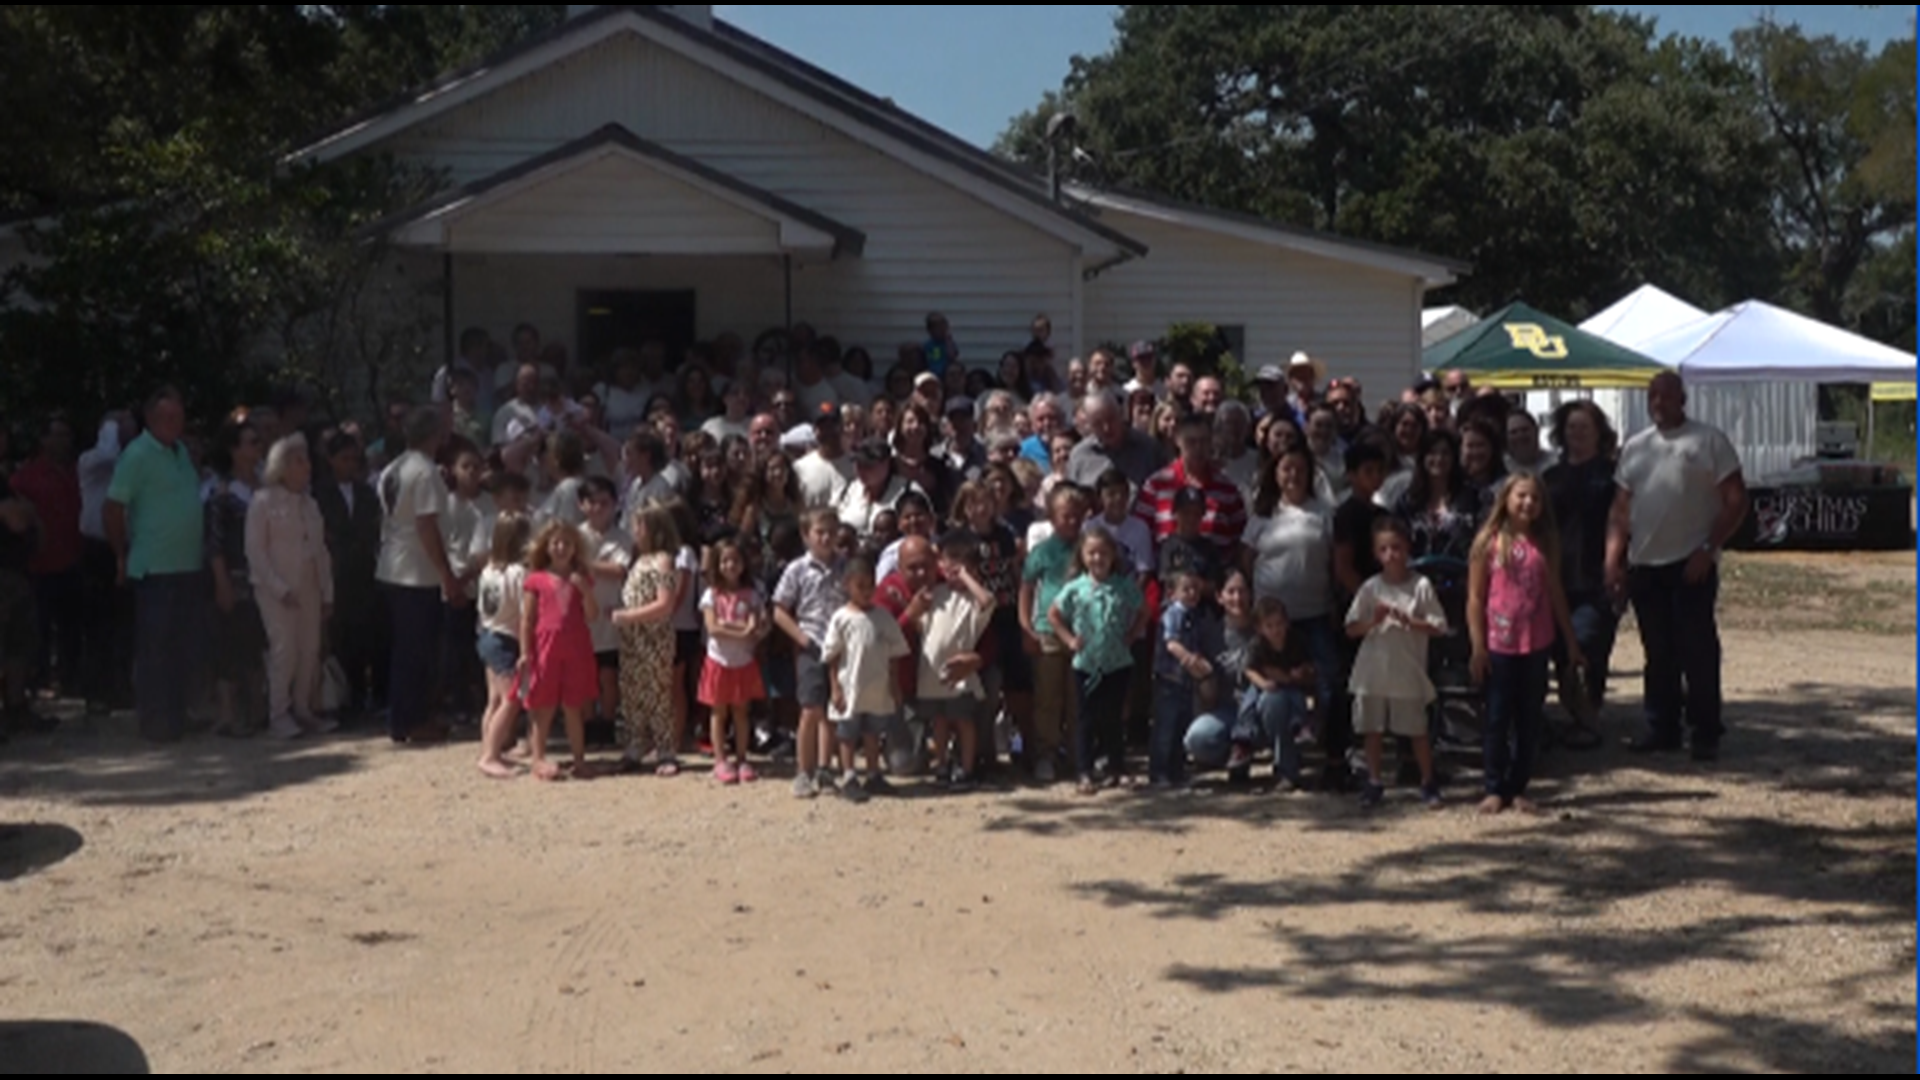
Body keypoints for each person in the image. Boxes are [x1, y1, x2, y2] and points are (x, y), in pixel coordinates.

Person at [1606, 373, 1748, 763]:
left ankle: (1705, 730)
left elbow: (1735, 500)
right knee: (1658, 652)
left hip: (1691, 564)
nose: (1659, 403)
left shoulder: (1708, 441)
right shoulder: (1636, 447)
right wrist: (1613, 560)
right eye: (1653, 396)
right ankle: (1662, 726)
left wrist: (1709, 547)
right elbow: (1620, 511)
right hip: (1645, 565)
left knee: (1697, 651)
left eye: (1666, 397)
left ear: (1682, 399)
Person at [1468, 473, 1585, 816]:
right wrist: (1477, 645)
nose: (1528, 503)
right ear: (1506, 498)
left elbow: (1556, 593)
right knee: (1497, 717)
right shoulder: (1488, 542)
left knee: (1529, 718)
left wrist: (1571, 641)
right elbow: (1475, 598)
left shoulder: (1545, 542)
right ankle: (1494, 786)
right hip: (1499, 643)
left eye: (1535, 498)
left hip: (1536, 642)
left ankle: (1518, 786)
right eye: (1521, 496)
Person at [105, 389, 208, 743]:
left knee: (184, 647)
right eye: (166, 418)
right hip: (154, 569)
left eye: (178, 418)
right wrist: (120, 554)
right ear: (149, 419)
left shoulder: (181, 454)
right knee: (155, 649)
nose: (174, 424)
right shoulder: (136, 455)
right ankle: (154, 721)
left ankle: (177, 715)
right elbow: (114, 507)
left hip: (187, 566)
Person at [375, 406, 463, 747]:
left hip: (391, 563)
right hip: (415, 570)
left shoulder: (392, 468)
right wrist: (446, 574)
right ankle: (410, 719)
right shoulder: (425, 472)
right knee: (417, 650)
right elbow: (426, 525)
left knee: (405, 648)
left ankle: (405, 715)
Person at [1244, 443, 1341, 748]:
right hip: (1271, 620)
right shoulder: (1262, 515)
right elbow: (1244, 562)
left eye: (1300, 468)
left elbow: (1334, 563)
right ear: (1275, 473)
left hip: (1314, 612)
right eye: (1286, 468)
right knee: (1269, 682)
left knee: (1326, 679)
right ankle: (1259, 743)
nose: (1293, 475)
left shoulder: (1324, 513)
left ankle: (1325, 742)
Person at [1347, 519, 1448, 810]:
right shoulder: (1371, 587)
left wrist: (1411, 621)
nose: (1391, 554)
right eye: (1384, 549)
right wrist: (1373, 622)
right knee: (1372, 728)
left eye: (1397, 548)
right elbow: (1351, 628)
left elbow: (1439, 625)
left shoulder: (1420, 586)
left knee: (1417, 730)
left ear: (1408, 549)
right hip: (1372, 671)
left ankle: (1428, 781)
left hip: (1407, 669)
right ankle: (1375, 780)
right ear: (1376, 553)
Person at [247, 435, 336, 741]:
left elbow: (320, 550)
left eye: (307, 460)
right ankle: (278, 714)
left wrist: (327, 591)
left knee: (309, 650)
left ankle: (303, 709)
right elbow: (256, 553)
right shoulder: (262, 502)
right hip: (277, 591)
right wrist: (278, 588)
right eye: (299, 461)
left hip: (309, 588)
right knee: (284, 650)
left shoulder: (309, 504)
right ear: (282, 467)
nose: (307, 467)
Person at [1049, 529, 1148, 797]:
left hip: (1117, 662)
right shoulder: (1076, 588)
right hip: (1086, 664)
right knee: (1085, 719)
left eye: (1103, 552)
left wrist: (1133, 634)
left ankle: (1116, 767)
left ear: (1113, 555)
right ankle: (1084, 770)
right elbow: (1054, 614)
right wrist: (1069, 639)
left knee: (1114, 717)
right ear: (1082, 555)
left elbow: (1143, 610)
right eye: (1091, 552)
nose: (1097, 558)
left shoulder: (1123, 585)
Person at [1545, 401, 1621, 718]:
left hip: (1597, 572)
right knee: (1561, 646)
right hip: (1557, 574)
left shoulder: (1612, 475)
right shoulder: (1550, 477)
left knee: (1589, 641)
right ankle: (1573, 708)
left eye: (1584, 427)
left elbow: (1621, 522)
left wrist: (1616, 566)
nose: (1577, 433)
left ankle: (1589, 709)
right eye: (1571, 427)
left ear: (1598, 433)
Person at [904, 531, 995, 791]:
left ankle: (966, 769)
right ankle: (942, 765)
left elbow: (988, 602)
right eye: (949, 562)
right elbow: (917, 621)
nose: (954, 569)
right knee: (940, 722)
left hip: (961, 675)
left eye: (962, 564)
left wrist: (966, 577)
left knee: (964, 722)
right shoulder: (935, 593)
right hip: (932, 673)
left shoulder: (973, 599)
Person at [774, 510, 851, 799]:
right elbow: (779, 610)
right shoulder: (797, 569)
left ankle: (824, 768)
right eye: (820, 532)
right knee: (810, 708)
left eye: (831, 532)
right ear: (807, 536)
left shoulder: (845, 567)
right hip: (811, 643)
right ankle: (802, 772)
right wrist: (801, 638)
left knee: (833, 710)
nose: (826, 538)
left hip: (839, 645)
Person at [822, 558, 911, 804]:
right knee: (848, 734)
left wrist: (894, 684)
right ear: (847, 585)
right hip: (850, 687)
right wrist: (835, 687)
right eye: (860, 585)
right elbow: (832, 655)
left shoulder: (883, 617)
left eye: (870, 585)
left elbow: (895, 652)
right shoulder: (841, 618)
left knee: (873, 733)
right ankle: (849, 776)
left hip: (877, 687)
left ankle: (873, 773)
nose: (865, 591)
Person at [516, 522, 600, 781]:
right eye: (556, 543)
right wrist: (524, 652)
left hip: (575, 646)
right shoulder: (537, 579)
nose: (561, 548)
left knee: (574, 705)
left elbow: (593, 615)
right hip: (545, 647)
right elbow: (527, 619)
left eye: (567, 543)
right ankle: (538, 759)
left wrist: (584, 589)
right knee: (544, 705)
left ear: (576, 548)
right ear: (547, 547)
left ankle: (579, 759)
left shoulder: (581, 579)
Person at [1020, 484, 1088, 783]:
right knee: (1048, 697)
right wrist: (1026, 625)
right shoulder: (1042, 551)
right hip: (1047, 632)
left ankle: (1078, 754)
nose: (1071, 522)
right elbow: (1027, 588)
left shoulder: (1088, 548)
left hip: (1081, 633)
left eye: (1076, 516)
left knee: (1078, 698)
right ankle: (1045, 753)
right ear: (1052, 516)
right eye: (1065, 516)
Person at [204, 418, 267, 739]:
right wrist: (221, 582)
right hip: (235, 577)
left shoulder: (268, 486)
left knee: (257, 643)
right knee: (229, 643)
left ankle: (257, 710)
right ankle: (227, 714)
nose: (258, 447)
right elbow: (214, 543)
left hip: (265, 579)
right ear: (234, 449)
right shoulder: (221, 493)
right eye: (251, 442)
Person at [316, 432, 384, 722]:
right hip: (336, 571)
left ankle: (363, 696)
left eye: (354, 459)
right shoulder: (318, 494)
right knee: (340, 637)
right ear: (331, 460)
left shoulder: (367, 492)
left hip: (364, 571)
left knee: (366, 634)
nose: (350, 464)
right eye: (344, 459)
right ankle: (343, 700)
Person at [12, 417, 81, 703]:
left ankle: (71, 678)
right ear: (44, 440)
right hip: (39, 565)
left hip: (72, 560)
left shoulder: (76, 472)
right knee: (38, 627)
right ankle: (36, 681)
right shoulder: (26, 477)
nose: (63, 441)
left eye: (67, 435)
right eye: (57, 435)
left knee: (71, 627)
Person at [612, 502, 681, 775]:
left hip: (654, 638)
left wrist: (629, 616)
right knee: (632, 693)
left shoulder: (663, 560)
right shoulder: (639, 559)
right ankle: (635, 746)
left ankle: (666, 751)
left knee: (657, 693)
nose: (635, 531)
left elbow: (665, 604)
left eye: (639, 526)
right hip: (632, 640)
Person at [1135, 412, 1249, 572]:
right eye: (1191, 442)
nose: (1198, 448)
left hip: (1215, 583)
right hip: (1168, 581)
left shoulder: (1227, 489)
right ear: (1177, 441)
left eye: (1204, 442)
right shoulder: (1156, 485)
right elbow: (1140, 536)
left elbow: (1241, 540)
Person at [78, 410, 136, 714]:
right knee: (98, 623)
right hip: (97, 549)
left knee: (125, 622)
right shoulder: (90, 461)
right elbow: (108, 455)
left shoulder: (133, 461)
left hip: (128, 546)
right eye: (119, 427)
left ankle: (121, 687)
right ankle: (97, 691)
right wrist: (112, 425)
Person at [700, 539, 768, 785]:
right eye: (725, 560)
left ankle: (742, 758)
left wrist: (733, 626)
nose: (730, 565)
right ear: (717, 564)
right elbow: (712, 628)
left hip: (743, 661)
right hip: (719, 660)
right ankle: (720, 759)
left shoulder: (751, 594)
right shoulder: (711, 595)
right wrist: (741, 631)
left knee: (741, 711)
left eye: (736, 560)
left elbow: (757, 625)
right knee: (718, 712)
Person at [475, 513, 533, 779]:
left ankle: (489, 748)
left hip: (487, 633)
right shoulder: (518, 573)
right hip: (505, 640)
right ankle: (490, 755)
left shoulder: (488, 570)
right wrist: (526, 651)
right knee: (511, 701)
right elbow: (524, 617)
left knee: (494, 700)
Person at [1238, 598, 1318, 790]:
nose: (1276, 630)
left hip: (1292, 689)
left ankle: (1301, 729)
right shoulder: (1257, 645)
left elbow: (1309, 666)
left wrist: (1300, 673)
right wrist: (1264, 683)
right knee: (1259, 701)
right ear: (1260, 628)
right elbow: (1249, 669)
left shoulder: (1296, 640)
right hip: (1265, 689)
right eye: (1270, 626)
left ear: (1287, 623)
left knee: (1295, 701)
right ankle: (1243, 738)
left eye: (1279, 624)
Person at [439, 440, 493, 729]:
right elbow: (441, 547)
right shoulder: (445, 504)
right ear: (452, 470)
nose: (472, 472)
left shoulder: (490, 502)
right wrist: (453, 581)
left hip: (486, 585)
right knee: (456, 649)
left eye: (476, 466)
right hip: (454, 585)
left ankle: (488, 702)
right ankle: (459, 703)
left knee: (483, 648)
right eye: (465, 467)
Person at [578, 478, 632, 748]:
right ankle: (587, 724)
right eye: (592, 502)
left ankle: (608, 723)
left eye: (605, 503)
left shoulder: (622, 537)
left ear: (614, 505)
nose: (599, 508)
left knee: (609, 676)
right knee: (586, 675)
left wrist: (586, 564)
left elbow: (620, 570)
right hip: (581, 618)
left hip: (611, 616)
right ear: (582, 505)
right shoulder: (575, 536)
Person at [1151, 571, 1212, 788]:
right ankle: (1159, 772)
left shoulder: (1196, 615)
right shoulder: (1173, 613)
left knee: (1181, 728)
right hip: (1169, 680)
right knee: (1165, 729)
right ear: (1172, 593)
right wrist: (1187, 658)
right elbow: (1171, 642)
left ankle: (1176, 770)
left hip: (1186, 682)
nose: (1192, 593)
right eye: (1186, 589)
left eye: (1196, 588)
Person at [1395, 430, 1481, 563]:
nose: (1439, 458)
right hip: (1416, 578)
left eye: (1445, 453)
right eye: (1432, 453)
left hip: (1463, 576)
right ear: (1422, 458)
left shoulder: (1475, 498)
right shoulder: (1406, 502)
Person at [0, 468, 41, 732]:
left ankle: (16, 709)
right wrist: (28, 510)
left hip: (14, 573)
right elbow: (17, 519)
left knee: (17, 644)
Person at [1068, 392, 1165, 493]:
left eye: (1111, 419)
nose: (1107, 428)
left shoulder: (1149, 448)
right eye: (1098, 423)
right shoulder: (1080, 455)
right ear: (1089, 425)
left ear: (1121, 413)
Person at [836, 438, 926, 540]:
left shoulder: (908, 491)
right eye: (858, 464)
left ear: (886, 463)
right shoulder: (850, 489)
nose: (862, 470)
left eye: (868, 466)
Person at [1087, 468, 1155, 578]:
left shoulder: (1140, 528)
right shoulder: (1089, 527)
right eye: (1111, 494)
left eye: (1123, 493)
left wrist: (1132, 594)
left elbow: (1144, 571)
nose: (1118, 499)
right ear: (1099, 498)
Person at [795, 407, 855, 511]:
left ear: (841, 427)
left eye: (832, 426)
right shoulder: (800, 468)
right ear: (815, 431)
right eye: (822, 427)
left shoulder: (857, 465)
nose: (828, 432)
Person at [1020, 394, 1068, 470]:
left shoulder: (1072, 442)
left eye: (1051, 417)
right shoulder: (1025, 450)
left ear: (1061, 419)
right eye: (1040, 419)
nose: (1047, 423)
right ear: (1032, 423)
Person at [1506, 411, 1553, 476]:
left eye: (1524, 430)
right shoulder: (1502, 469)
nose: (1520, 436)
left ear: (1537, 431)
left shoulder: (1555, 462)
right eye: (1513, 432)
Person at [924, 313, 960, 380]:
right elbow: (932, 360)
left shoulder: (949, 343)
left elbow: (952, 356)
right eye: (936, 327)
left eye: (942, 326)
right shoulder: (929, 345)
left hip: (947, 375)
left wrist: (948, 341)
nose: (941, 329)